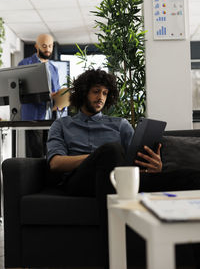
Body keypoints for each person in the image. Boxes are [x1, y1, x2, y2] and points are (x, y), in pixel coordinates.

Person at [46, 69, 162, 269]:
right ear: (84, 92)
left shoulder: (120, 125)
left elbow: (133, 160)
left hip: (114, 179)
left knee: (118, 156)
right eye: (96, 91)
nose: (101, 97)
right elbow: (56, 163)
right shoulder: (62, 125)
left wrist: (156, 164)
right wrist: (97, 157)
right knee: (110, 150)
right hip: (78, 181)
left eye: (105, 93)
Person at [18, 34, 60, 157]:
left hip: (50, 117)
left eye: (50, 46)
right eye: (44, 46)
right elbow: (20, 91)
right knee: (36, 154)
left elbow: (56, 91)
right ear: (36, 46)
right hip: (33, 116)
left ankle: (46, 176)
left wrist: (61, 101)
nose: (48, 49)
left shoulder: (54, 68)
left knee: (49, 153)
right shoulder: (25, 64)